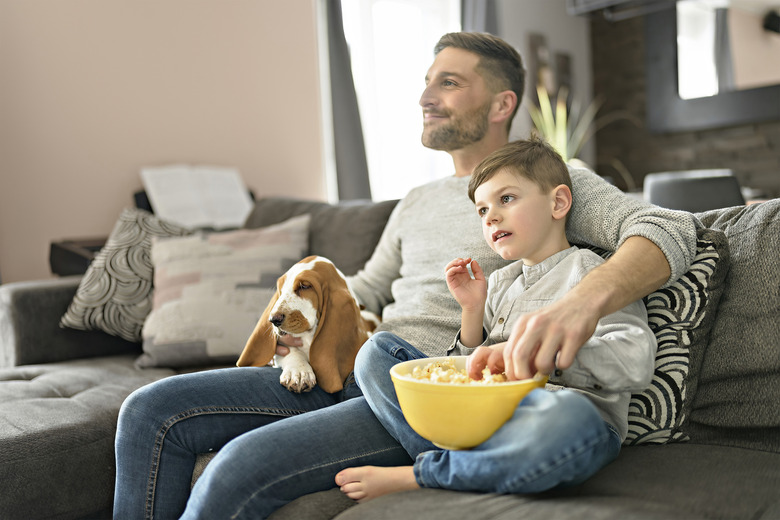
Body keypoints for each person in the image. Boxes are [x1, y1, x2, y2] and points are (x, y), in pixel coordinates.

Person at [113, 32, 698, 519]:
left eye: (448, 81)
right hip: (353, 364)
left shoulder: (549, 177)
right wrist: (294, 327)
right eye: (427, 80)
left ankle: (436, 464)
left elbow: (671, 229)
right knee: (148, 412)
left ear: (500, 105)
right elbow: (362, 290)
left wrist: (581, 305)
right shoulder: (415, 201)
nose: (425, 95)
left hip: (428, 387)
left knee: (236, 469)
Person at [335, 137, 658, 501]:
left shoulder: (591, 274)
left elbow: (636, 359)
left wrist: (541, 355)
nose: (491, 217)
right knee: (376, 352)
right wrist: (472, 311)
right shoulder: (501, 283)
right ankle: (467, 466)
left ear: (558, 202)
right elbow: (474, 367)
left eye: (506, 199)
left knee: (572, 418)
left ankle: (429, 471)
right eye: (482, 211)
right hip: (485, 415)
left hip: (552, 416)